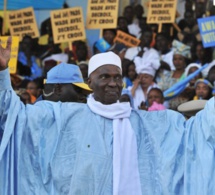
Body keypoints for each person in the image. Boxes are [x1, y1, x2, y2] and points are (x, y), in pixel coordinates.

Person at [2, 38, 215, 194]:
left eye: (117, 77)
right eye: (104, 77)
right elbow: (15, 116)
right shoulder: (64, 115)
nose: (113, 83)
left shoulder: (145, 122)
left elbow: (194, 133)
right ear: (90, 82)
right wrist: (3, 72)